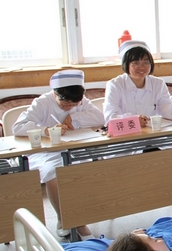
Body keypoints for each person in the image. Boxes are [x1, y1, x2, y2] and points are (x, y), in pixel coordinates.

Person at [12, 70, 104, 240]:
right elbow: (17, 127)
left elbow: (100, 118)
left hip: (75, 148)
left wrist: (74, 116)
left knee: (85, 172)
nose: (70, 107)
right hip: (47, 151)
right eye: (65, 103)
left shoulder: (81, 102)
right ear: (55, 94)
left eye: (74, 104)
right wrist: (46, 130)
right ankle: (67, 220)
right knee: (53, 173)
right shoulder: (42, 103)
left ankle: (75, 219)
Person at [104, 40, 172, 217]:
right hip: (126, 142)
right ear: (126, 64)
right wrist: (134, 120)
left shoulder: (157, 83)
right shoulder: (115, 85)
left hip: (154, 138)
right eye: (135, 62)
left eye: (146, 62)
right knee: (158, 160)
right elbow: (110, 117)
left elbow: (165, 104)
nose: (141, 67)